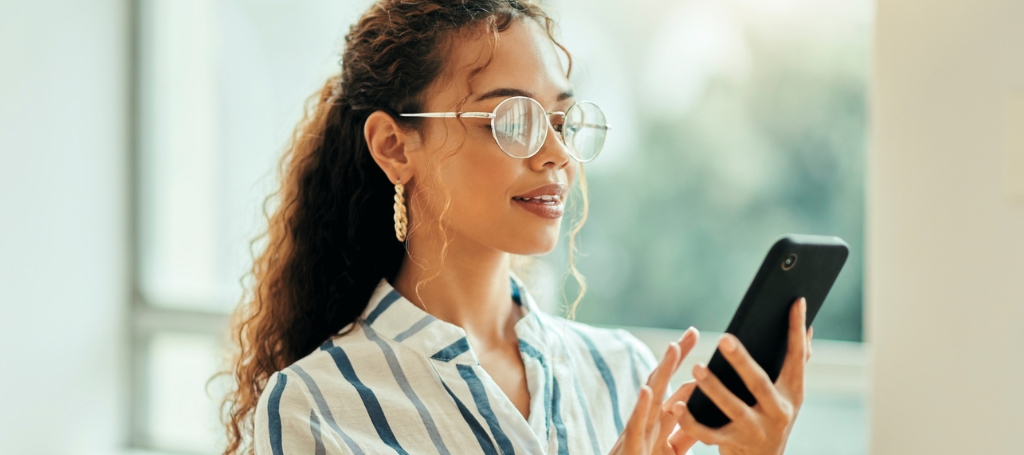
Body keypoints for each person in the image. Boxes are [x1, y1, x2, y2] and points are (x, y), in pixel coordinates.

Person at [222, 1, 813, 454]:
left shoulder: (622, 374)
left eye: (560, 118)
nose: (557, 152)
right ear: (395, 147)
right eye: (512, 119)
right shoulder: (317, 405)